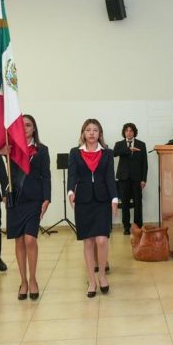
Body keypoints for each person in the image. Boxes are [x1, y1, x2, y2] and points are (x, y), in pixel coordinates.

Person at [68, 119, 118, 298]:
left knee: (102, 240)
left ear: (100, 134)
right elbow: (72, 175)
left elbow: (110, 178)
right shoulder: (75, 153)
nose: (91, 133)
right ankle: (91, 280)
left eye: (95, 130)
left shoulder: (107, 153)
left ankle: (102, 275)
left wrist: (114, 198)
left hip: (102, 200)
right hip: (83, 201)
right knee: (88, 241)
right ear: (83, 133)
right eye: (88, 130)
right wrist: (70, 191)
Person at [6, 114, 51, 301]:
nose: (25, 128)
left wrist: (47, 198)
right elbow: (2, 172)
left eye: (28, 125)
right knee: (19, 241)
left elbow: (46, 175)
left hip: (34, 200)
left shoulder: (42, 150)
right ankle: (23, 281)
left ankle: (33, 279)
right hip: (15, 200)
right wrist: (4, 190)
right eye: (21, 125)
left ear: (34, 128)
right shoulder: (10, 149)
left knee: (30, 240)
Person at [113, 123, 147, 235]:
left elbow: (144, 164)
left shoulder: (142, 144)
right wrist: (129, 149)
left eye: (131, 130)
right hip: (123, 179)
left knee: (138, 203)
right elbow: (114, 153)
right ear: (124, 132)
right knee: (125, 204)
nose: (129, 132)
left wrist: (143, 179)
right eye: (127, 130)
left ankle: (138, 226)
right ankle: (126, 227)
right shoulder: (119, 144)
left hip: (137, 179)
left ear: (134, 132)